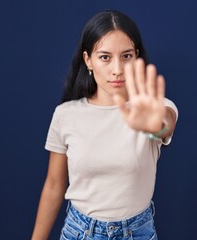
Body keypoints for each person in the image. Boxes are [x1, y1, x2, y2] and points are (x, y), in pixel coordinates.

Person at [32, 10, 178, 240]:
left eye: (126, 56)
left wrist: (155, 127)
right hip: (79, 232)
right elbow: (53, 185)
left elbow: (164, 125)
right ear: (88, 60)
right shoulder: (66, 115)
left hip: (138, 232)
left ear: (136, 58)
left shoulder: (154, 107)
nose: (117, 69)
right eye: (105, 57)